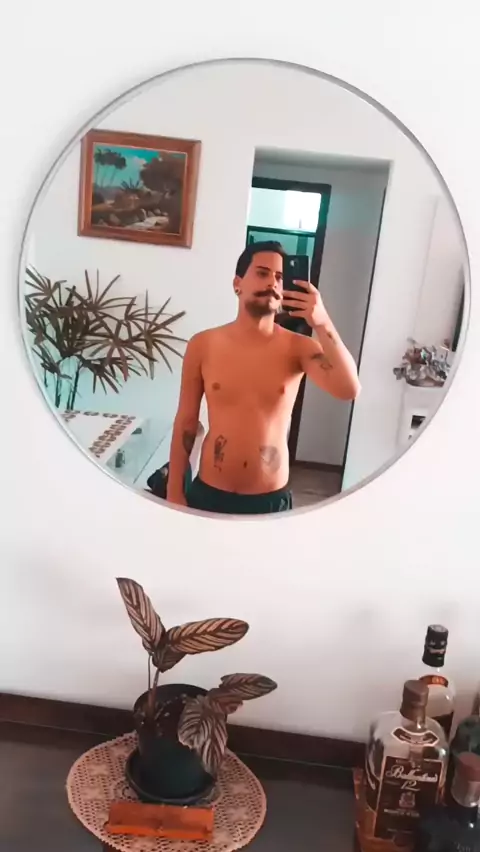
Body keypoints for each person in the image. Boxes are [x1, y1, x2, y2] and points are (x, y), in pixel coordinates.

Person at [166, 240, 360, 514]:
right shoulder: (203, 345)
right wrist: (174, 492)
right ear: (237, 283)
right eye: (262, 273)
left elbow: (349, 389)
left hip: (268, 502)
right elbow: (186, 421)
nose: (272, 282)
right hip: (208, 494)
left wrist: (322, 321)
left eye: (280, 277)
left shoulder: (299, 348)